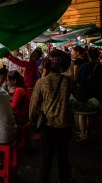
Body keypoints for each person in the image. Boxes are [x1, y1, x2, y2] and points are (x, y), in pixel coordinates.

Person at [29, 49, 73, 183]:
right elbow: (81, 97)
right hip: (63, 125)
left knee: (46, 158)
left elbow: (33, 107)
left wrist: (32, 121)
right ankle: (64, 179)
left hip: (47, 126)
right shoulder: (68, 81)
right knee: (63, 156)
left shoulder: (41, 82)